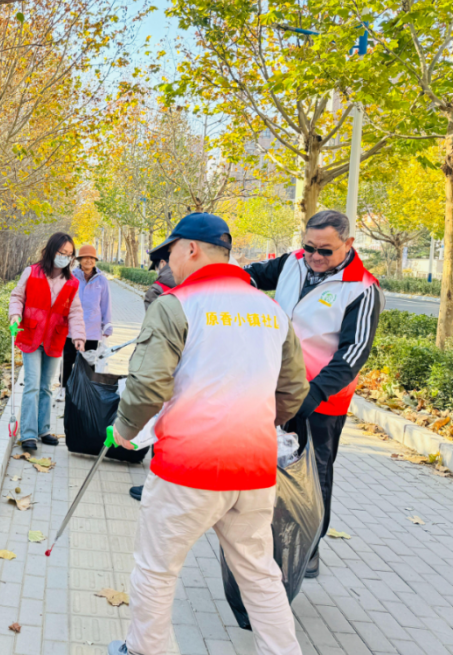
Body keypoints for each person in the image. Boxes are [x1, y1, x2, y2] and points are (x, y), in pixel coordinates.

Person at [106, 212, 309, 655]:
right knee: (260, 575)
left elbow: (148, 385)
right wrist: (258, 423)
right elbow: (295, 388)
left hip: (186, 470)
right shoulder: (272, 311)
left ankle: (144, 650)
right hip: (253, 471)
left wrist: (124, 430)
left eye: (170, 253)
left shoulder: (176, 305)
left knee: (157, 569)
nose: (167, 263)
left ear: (192, 248)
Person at [245, 209, 383, 578]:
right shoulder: (291, 263)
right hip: (273, 386)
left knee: (313, 473)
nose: (315, 257)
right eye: (309, 247)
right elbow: (249, 276)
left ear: (348, 244)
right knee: (266, 461)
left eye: (325, 250)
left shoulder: (362, 288)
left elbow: (353, 354)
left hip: (321, 400)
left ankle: (308, 548)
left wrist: (313, 395)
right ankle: (263, 535)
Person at [9, 233, 86, 452]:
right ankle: (28, 434)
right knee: (32, 385)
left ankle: (43, 429)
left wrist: (79, 336)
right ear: (51, 250)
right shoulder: (31, 272)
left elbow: (75, 311)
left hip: (54, 338)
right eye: (62, 252)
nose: (65, 257)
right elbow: (17, 297)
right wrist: (15, 315)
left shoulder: (72, 282)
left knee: (46, 387)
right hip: (31, 335)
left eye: (69, 254)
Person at [126, 254, 175, 502]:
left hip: (165, 368)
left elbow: (155, 335)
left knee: (161, 424)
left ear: (163, 264)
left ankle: (156, 486)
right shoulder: (200, 288)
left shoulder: (157, 291)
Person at [59, 244, 112, 397]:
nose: (89, 261)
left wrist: (107, 325)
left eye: (92, 258)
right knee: (68, 360)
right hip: (71, 329)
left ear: (95, 260)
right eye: (85, 258)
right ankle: (63, 389)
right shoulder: (71, 277)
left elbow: (105, 305)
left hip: (92, 329)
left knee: (89, 363)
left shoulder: (102, 281)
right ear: (79, 260)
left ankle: (87, 393)